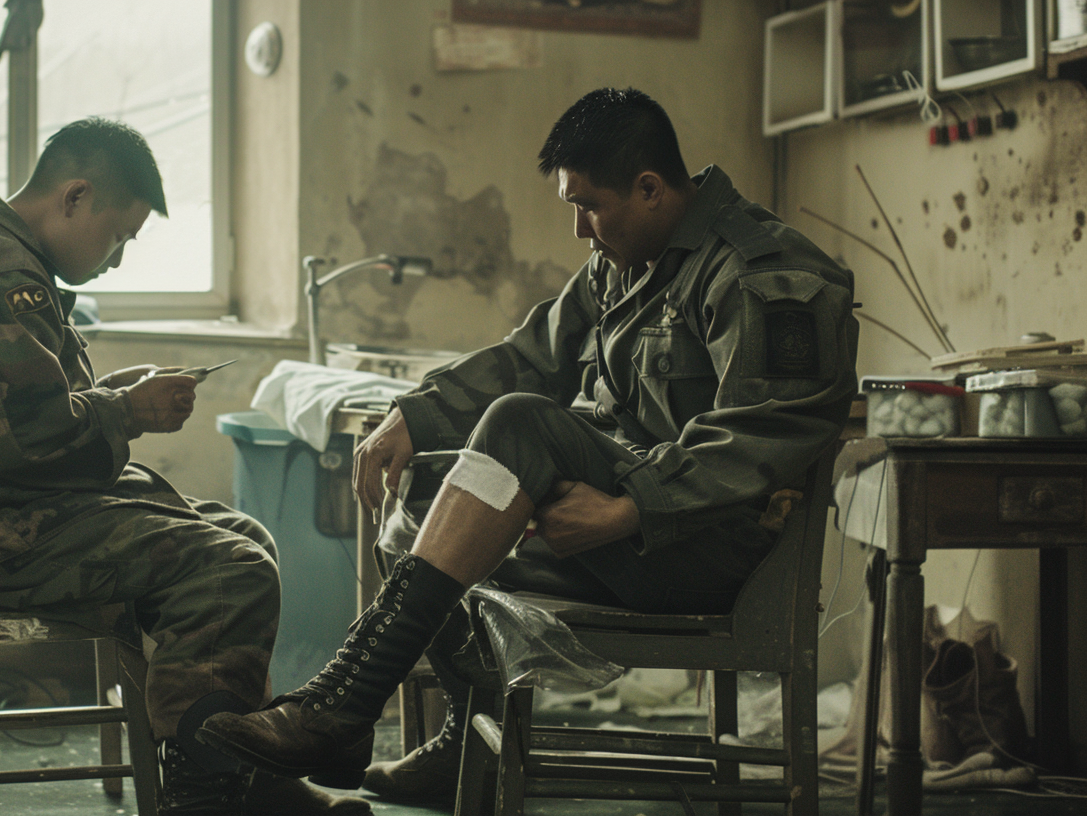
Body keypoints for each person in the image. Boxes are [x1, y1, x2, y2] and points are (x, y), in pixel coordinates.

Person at [195, 88, 860, 803]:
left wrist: (631, 506)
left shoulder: (762, 272)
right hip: (626, 536)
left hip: (709, 549)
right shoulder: (626, 259)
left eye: (589, 206)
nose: (579, 229)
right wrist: (417, 414)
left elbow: (766, 428)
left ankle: (341, 705)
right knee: (419, 500)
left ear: (650, 188)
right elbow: (534, 355)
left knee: (520, 423)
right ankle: (456, 743)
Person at [0, 117, 369, 816]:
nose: (117, 259)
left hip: (6, 508)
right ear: (75, 196)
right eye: (119, 235)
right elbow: (22, 442)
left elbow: (15, 415)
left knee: (244, 536)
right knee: (231, 568)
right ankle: (204, 796)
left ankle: (245, 771)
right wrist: (127, 411)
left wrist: (111, 396)